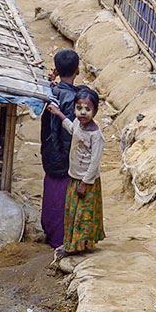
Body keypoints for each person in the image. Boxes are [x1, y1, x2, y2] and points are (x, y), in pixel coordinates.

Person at [46, 86, 104, 256]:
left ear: (95, 111)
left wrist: (85, 182)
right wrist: (59, 114)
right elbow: (72, 129)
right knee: (72, 213)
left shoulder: (96, 135)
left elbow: (95, 162)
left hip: (87, 181)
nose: (83, 112)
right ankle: (74, 244)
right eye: (79, 108)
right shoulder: (78, 123)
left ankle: (75, 247)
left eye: (88, 109)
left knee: (83, 215)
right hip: (74, 177)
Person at [39, 50, 80, 252]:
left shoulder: (48, 91)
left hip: (48, 148)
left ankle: (49, 231)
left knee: (50, 191)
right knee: (62, 195)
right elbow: (69, 133)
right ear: (78, 70)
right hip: (64, 154)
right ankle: (60, 238)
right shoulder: (73, 99)